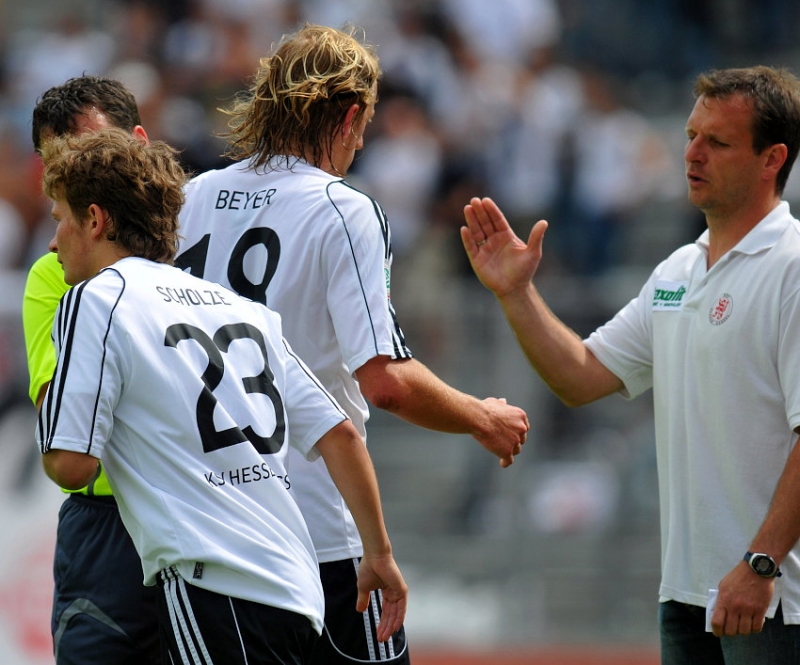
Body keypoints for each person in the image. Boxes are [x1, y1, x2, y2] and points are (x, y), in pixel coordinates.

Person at [175, 23, 529, 664]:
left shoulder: (191, 198)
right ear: (348, 115)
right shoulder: (341, 207)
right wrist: (483, 417)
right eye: (363, 124)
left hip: (207, 534)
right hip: (311, 532)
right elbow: (384, 382)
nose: (363, 141)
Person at [461, 65, 800, 664]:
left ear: (772, 159)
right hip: (687, 596)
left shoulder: (792, 267)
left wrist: (761, 564)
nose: (692, 153)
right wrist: (516, 293)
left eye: (718, 142)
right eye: (691, 136)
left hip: (773, 600)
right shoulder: (677, 270)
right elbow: (580, 376)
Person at [35, 127, 407, 664]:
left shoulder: (95, 299)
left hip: (214, 580)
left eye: (59, 218)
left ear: (95, 220)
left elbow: (72, 466)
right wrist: (379, 553)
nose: (53, 242)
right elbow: (341, 434)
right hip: (299, 586)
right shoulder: (242, 307)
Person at [21, 75, 160, 665]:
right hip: (107, 525)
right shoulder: (52, 274)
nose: (75, 173)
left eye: (88, 149)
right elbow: (69, 442)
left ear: (139, 142)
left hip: (203, 510)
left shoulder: (201, 249)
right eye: (56, 162)